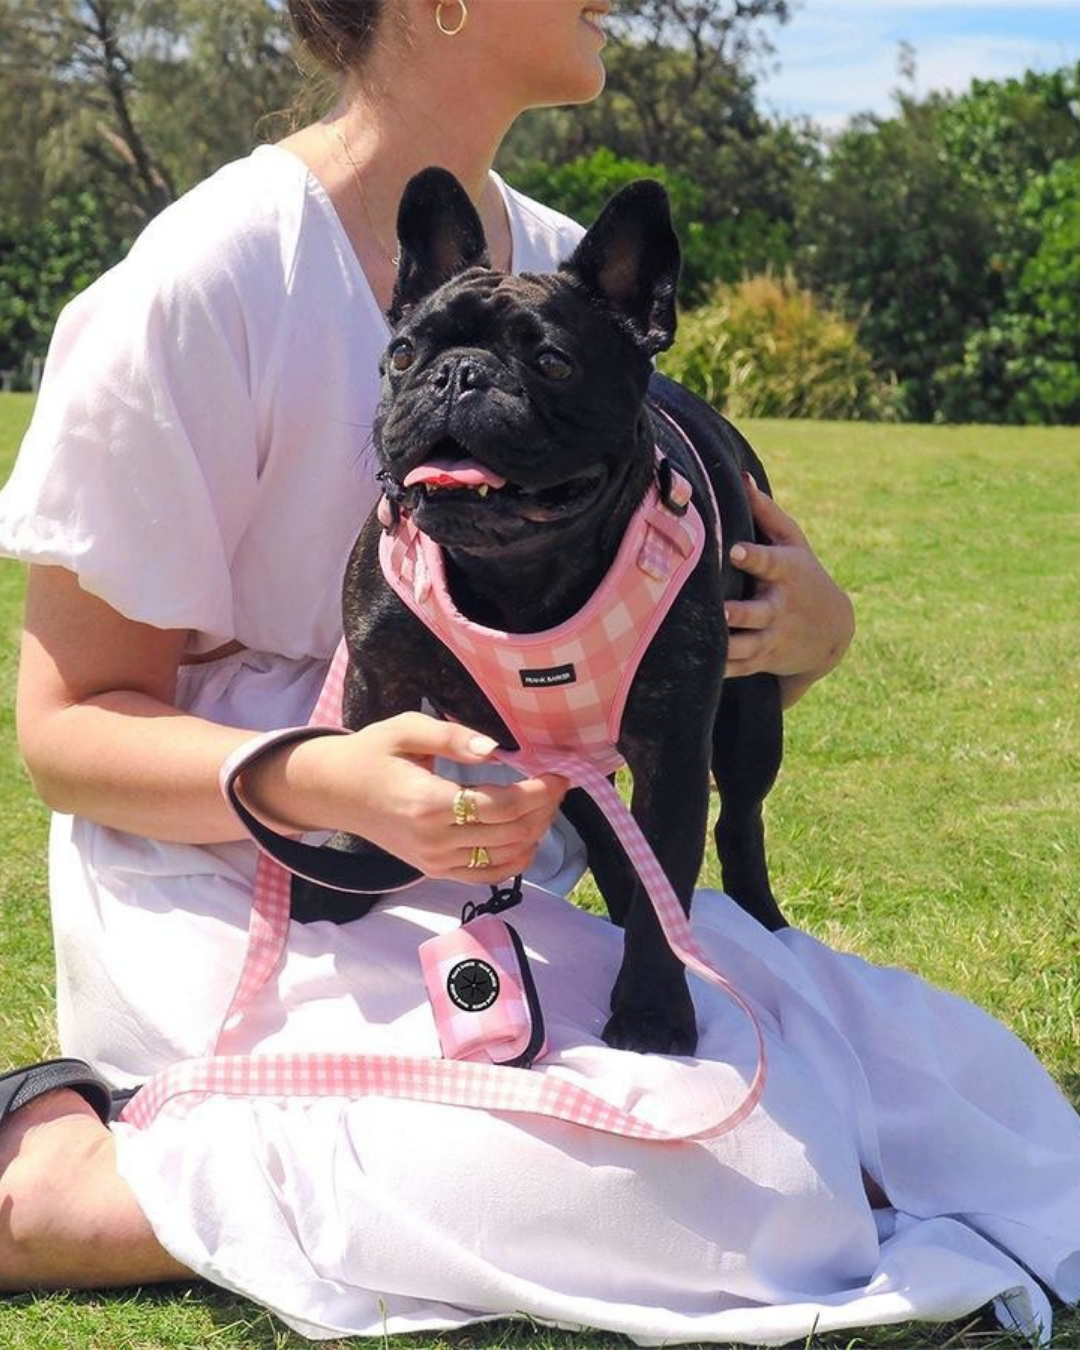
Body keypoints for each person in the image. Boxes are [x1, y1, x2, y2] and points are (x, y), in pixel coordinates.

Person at [0, 1, 1075, 1342]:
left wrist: (808, 636)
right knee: (732, 1192)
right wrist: (329, 776)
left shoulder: (568, 272)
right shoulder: (207, 277)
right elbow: (65, 731)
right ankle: (79, 1179)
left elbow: (639, 654)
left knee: (951, 1089)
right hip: (249, 882)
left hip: (509, 866)